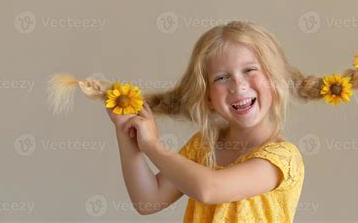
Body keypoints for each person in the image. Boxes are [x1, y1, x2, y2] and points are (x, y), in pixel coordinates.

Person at [106, 21, 309, 222]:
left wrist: (151, 145)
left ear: (274, 81)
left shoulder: (282, 158)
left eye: (249, 70)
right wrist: (125, 132)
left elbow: (209, 189)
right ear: (208, 98)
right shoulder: (204, 146)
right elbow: (148, 200)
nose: (237, 86)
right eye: (221, 78)